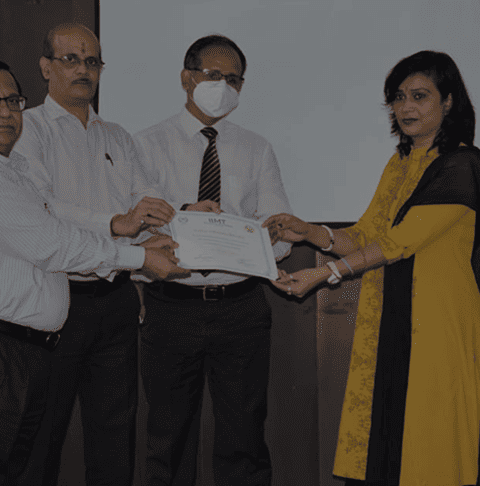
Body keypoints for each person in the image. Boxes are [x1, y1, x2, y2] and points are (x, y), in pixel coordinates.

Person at [264, 50, 480, 485]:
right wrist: (309, 231)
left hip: (435, 325)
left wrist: (327, 273)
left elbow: (402, 241)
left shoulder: (463, 165)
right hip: (388, 321)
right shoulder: (400, 163)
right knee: (386, 443)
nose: (405, 107)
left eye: (419, 95)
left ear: (449, 101)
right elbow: (367, 235)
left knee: (430, 445)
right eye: (398, 97)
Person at [13, 24, 190, 486]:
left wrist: (189, 218)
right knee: (41, 439)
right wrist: (116, 223)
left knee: (115, 440)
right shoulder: (26, 129)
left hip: (116, 300)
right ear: (45, 67)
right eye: (71, 59)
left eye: (92, 61)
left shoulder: (118, 136)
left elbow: (148, 205)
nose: (83, 70)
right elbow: (44, 209)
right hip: (58, 301)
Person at [134, 34, 292, 485]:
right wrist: (186, 220)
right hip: (171, 305)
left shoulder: (257, 148)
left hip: (241, 306)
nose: (224, 86)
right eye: (213, 75)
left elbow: (280, 235)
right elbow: (137, 230)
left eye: (234, 80)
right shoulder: (145, 145)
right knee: (167, 440)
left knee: (245, 437)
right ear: (187, 78)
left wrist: (255, 239)